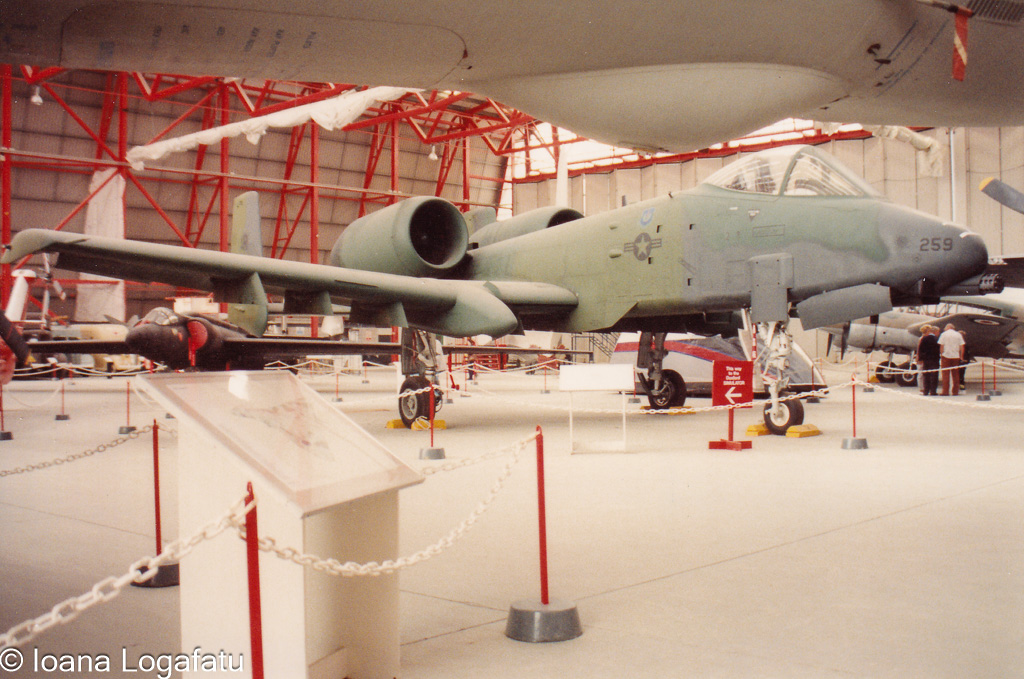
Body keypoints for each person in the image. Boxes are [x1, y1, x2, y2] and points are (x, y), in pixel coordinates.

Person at [938, 323, 966, 395]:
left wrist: (941, 354)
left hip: (946, 356)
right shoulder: (958, 334)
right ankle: (955, 391)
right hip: (956, 356)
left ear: (947, 327)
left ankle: (945, 391)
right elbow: (962, 346)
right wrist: (961, 356)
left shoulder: (944, 334)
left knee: (945, 374)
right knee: (956, 375)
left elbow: (941, 346)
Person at [916, 324, 940, 396]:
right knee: (934, 375)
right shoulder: (936, 339)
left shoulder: (924, 338)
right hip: (934, 359)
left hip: (926, 359)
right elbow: (938, 349)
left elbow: (920, 349)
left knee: (926, 375)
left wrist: (920, 358)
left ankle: (926, 390)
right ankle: (933, 391)